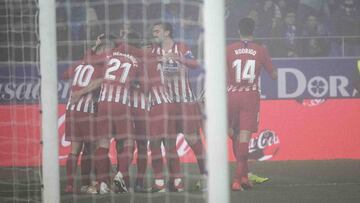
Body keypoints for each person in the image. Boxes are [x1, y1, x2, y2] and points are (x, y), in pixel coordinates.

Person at [147, 22, 206, 192]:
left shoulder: (181, 46)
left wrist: (176, 57)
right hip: (165, 103)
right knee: (168, 142)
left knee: (192, 139)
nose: (154, 33)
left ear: (167, 32)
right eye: (153, 31)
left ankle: (205, 176)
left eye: (157, 30)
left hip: (185, 101)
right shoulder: (153, 51)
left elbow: (195, 64)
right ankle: (174, 181)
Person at [226, 17, 277, 191]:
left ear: (238, 30)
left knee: (234, 134)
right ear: (253, 30)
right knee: (244, 139)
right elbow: (274, 75)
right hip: (250, 96)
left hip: (231, 95)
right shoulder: (261, 50)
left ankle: (245, 176)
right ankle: (236, 179)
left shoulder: (229, 49)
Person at [63, 37, 105, 194]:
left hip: (71, 109)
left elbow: (65, 75)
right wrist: (81, 92)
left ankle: (70, 185)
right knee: (93, 148)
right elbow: (99, 81)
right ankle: (93, 183)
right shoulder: (101, 64)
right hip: (86, 110)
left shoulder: (81, 62)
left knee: (75, 149)